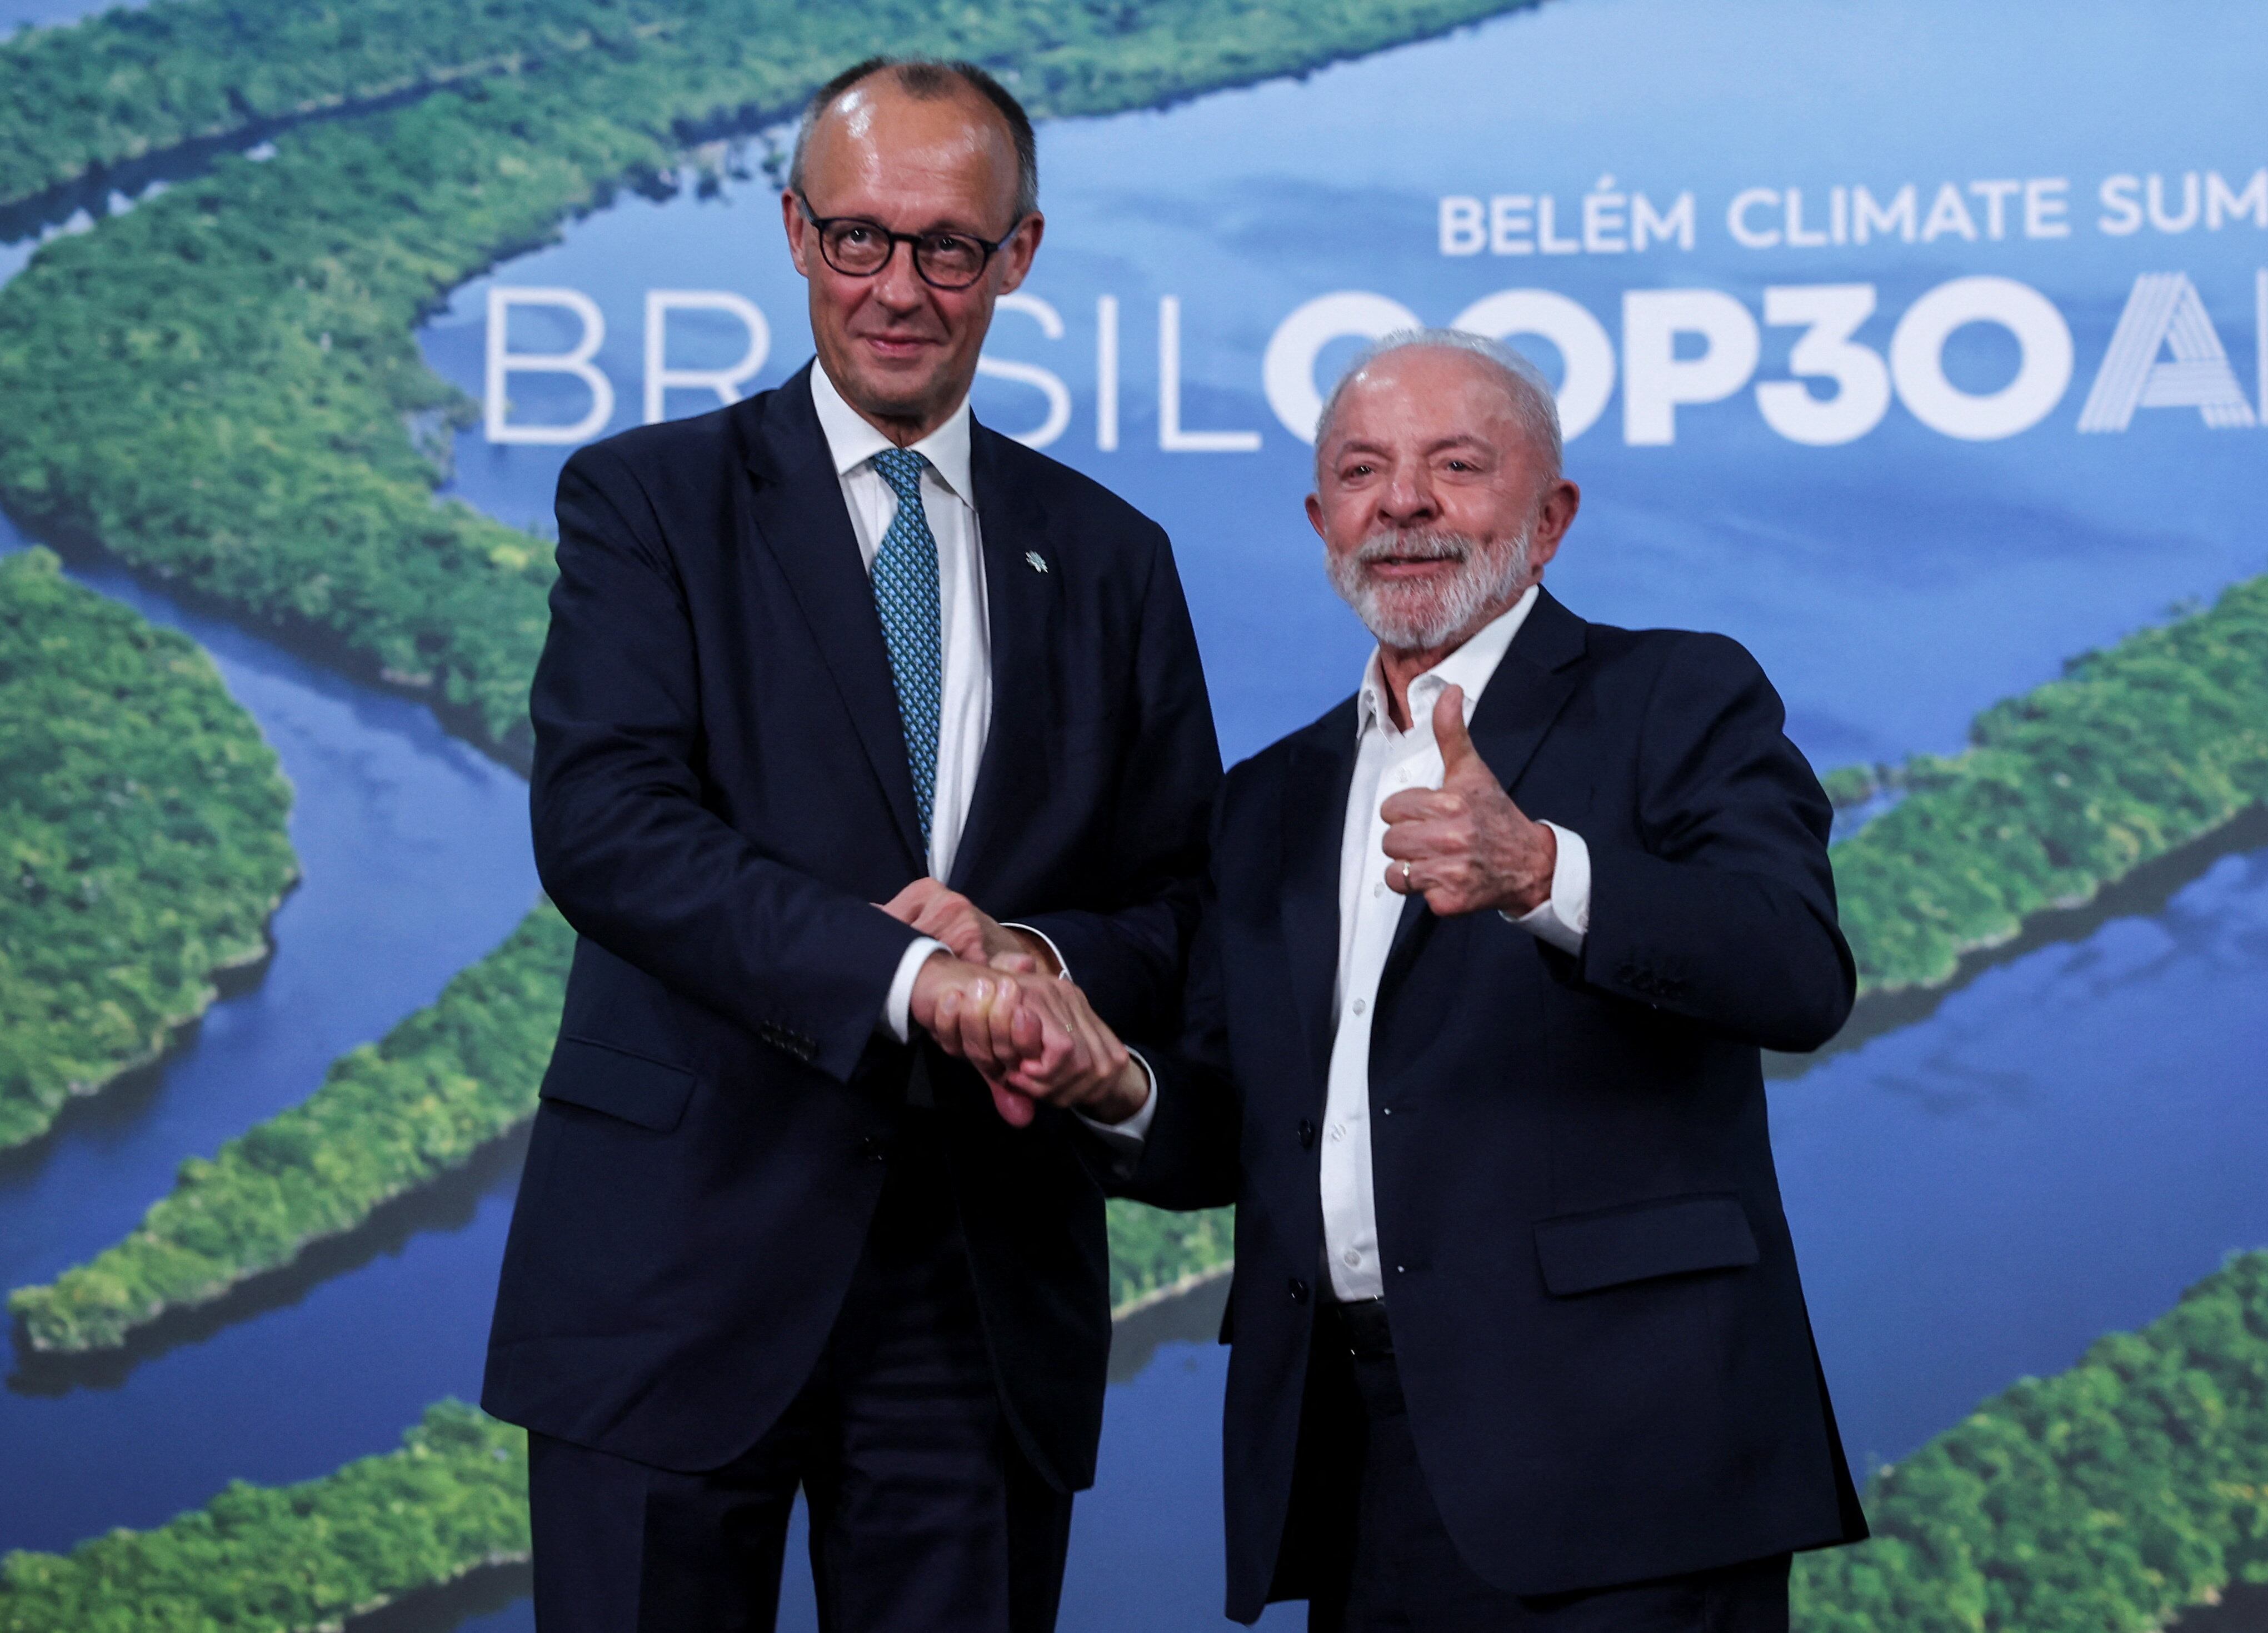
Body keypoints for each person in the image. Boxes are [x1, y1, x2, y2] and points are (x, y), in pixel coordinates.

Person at [481, 56, 1219, 1633]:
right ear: (795, 233)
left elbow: (1184, 907)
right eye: (858, 237)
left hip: (979, 1296)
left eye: (947, 245)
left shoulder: (1112, 559)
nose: (898, 287)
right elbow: (606, 829)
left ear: (1018, 255)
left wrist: (1034, 959)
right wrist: (914, 979)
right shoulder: (648, 501)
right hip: (670, 1278)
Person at [993, 329, 1865, 1628]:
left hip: (1627, 1462)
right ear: (1320, 523)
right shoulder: (1267, 801)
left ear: (1550, 517)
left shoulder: (1674, 695)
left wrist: (1544, 872)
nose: (1400, 502)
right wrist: (1110, 1083)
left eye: (1454, 465)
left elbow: (1794, 969)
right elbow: (1243, 1128)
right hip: (1356, 1467)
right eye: (1360, 471)